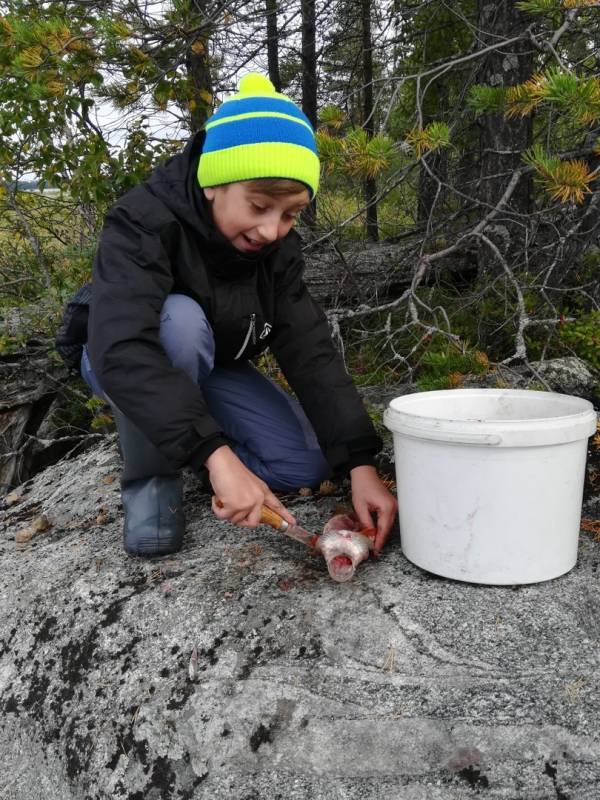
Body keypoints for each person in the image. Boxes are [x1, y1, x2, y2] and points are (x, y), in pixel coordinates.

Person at [66, 72, 397, 558]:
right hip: (125, 354)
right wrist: (217, 457)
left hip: (210, 363)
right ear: (212, 184)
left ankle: (190, 439)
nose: (271, 229)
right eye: (259, 205)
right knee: (179, 322)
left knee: (303, 465)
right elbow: (123, 345)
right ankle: (153, 479)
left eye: (290, 214)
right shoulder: (144, 221)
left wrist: (360, 465)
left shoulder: (277, 250)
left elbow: (309, 348)